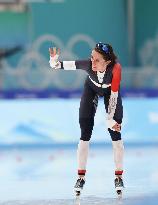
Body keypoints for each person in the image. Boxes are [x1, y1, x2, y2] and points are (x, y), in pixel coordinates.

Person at [49, 42, 124, 195]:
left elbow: (114, 95)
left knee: (115, 133)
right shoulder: (87, 65)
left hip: (111, 92)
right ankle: (80, 177)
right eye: (91, 58)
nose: (92, 62)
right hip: (91, 89)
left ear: (107, 61)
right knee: (85, 133)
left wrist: (110, 119)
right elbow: (59, 66)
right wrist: (53, 61)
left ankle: (118, 177)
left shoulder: (116, 69)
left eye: (97, 60)